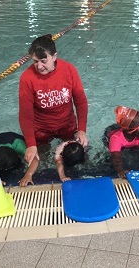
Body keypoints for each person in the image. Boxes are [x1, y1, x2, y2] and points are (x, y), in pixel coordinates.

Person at [19, 34, 89, 170]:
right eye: (35, 61)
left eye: (43, 61)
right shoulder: (27, 78)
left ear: (54, 57)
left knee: (72, 160)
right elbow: (25, 115)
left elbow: (80, 102)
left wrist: (81, 130)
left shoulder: (69, 70)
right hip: (41, 129)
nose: (39, 66)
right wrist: (31, 144)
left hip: (67, 125)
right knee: (42, 162)